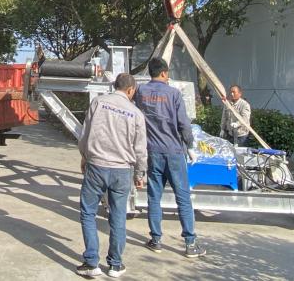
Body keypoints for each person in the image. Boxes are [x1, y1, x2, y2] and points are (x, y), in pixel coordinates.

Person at [134, 57, 206, 259]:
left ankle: (156, 240)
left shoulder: (140, 92)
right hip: (174, 152)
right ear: (164, 73)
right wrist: (190, 146)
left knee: (154, 197)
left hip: (152, 152)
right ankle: (190, 243)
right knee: (183, 198)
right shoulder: (174, 94)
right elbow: (184, 124)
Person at [77, 73, 147, 278]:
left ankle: (91, 263)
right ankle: (115, 265)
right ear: (131, 90)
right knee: (118, 216)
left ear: (115, 86)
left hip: (96, 166)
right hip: (122, 171)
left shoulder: (98, 103)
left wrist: (84, 157)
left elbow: (85, 134)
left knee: (88, 212)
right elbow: (141, 149)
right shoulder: (136, 113)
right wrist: (140, 173)